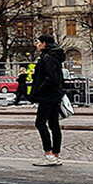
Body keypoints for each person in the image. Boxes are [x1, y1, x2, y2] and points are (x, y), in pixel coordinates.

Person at [31, 34, 65, 166]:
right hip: (54, 95)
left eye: (38, 42)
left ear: (44, 43)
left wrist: (39, 90)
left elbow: (50, 78)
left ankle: (48, 154)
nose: (36, 44)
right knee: (54, 124)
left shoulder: (48, 58)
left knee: (40, 123)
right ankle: (56, 155)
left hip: (47, 96)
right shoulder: (55, 57)